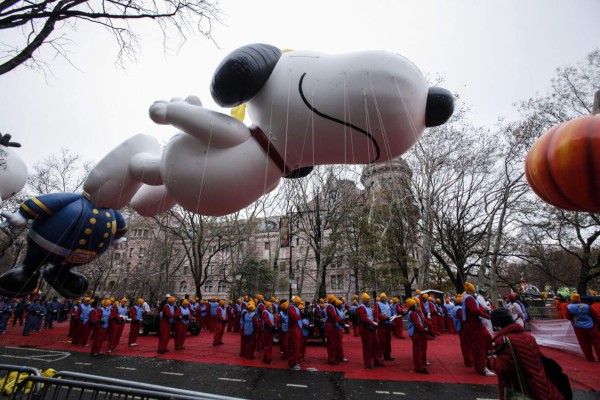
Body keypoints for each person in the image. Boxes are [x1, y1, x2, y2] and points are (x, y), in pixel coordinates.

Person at [487, 308, 564, 400]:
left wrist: (490, 361)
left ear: (497, 325)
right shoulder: (528, 337)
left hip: (521, 386)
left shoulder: (504, 340)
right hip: (541, 381)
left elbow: (504, 367)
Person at [462, 282, 495, 377]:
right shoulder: (469, 298)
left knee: (485, 340)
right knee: (480, 345)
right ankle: (482, 367)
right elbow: (475, 310)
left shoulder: (469, 298)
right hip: (474, 325)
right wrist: (487, 316)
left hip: (474, 324)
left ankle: (483, 363)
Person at [565, 293, 600, 362]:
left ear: (572, 299)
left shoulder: (569, 307)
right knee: (597, 342)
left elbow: (568, 316)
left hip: (579, 327)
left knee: (584, 343)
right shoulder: (587, 306)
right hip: (591, 326)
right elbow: (595, 315)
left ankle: (590, 358)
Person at [356, 293, 382, 369]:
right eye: (367, 300)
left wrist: (377, 321)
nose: (369, 302)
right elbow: (364, 319)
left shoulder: (369, 307)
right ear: (364, 301)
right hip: (366, 330)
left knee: (376, 345)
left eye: (369, 300)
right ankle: (368, 363)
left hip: (372, 329)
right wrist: (373, 324)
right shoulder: (361, 308)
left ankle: (377, 360)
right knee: (368, 347)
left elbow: (373, 316)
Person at [406, 297, 431, 374]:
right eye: (414, 304)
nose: (416, 305)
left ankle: (419, 365)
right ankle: (418, 367)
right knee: (418, 350)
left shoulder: (414, 312)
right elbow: (417, 324)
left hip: (418, 332)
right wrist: (424, 330)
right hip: (417, 332)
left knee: (418, 349)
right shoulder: (413, 313)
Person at [374, 292, 394, 361]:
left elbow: (390, 312)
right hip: (382, 324)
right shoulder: (377, 304)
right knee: (381, 340)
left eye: (385, 298)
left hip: (389, 324)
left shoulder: (387, 304)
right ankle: (379, 356)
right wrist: (384, 318)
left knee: (388, 341)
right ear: (380, 298)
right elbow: (376, 314)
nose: (384, 299)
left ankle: (387, 355)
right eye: (382, 298)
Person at [287, 296, 303, 371]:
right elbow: (295, 317)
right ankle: (292, 363)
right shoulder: (291, 308)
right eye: (298, 303)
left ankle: (295, 361)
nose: (299, 304)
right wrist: (301, 315)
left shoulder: (294, 308)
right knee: (294, 347)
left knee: (296, 347)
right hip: (294, 330)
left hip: (296, 329)